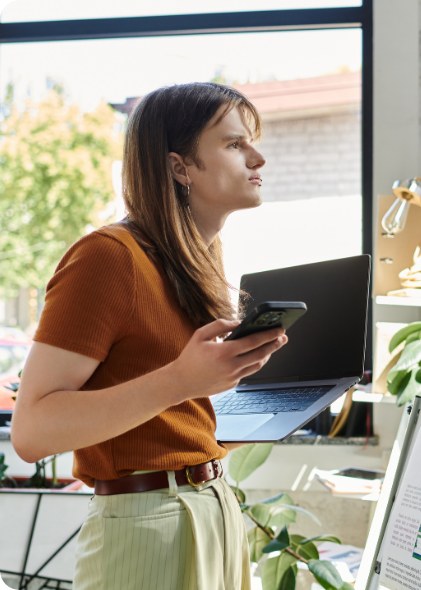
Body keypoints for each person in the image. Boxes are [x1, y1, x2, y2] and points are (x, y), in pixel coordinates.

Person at [11, 82, 284, 590]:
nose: (257, 155)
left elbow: (166, 414)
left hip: (215, 504)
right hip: (147, 519)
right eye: (233, 144)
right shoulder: (107, 257)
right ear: (180, 168)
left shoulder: (198, 260)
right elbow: (31, 433)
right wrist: (181, 379)